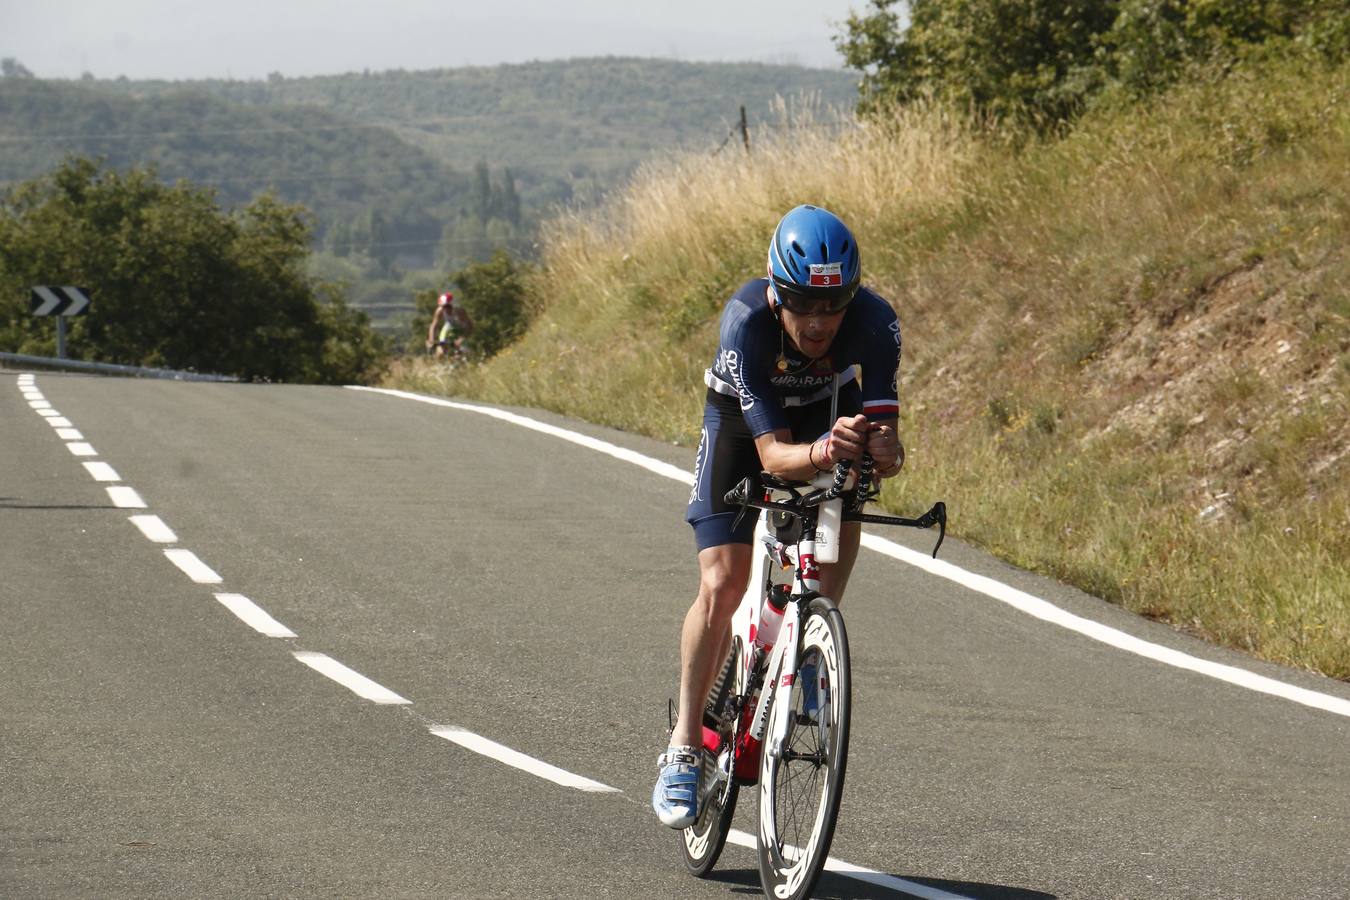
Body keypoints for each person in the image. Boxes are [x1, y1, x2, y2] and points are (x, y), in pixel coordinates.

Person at [652, 204, 905, 828]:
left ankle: (813, 645)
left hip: (825, 409)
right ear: (775, 293)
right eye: (802, 306)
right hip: (744, 421)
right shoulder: (746, 324)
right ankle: (684, 745)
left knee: (850, 493)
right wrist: (823, 451)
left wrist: (882, 450)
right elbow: (773, 456)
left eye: (833, 306)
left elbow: (889, 452)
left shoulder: (876, 323)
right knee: (722, 581)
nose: (819, 325)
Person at [425, 291, 474, 359]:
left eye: (448, 306)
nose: (446, 309)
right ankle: (442, 364)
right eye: (444, 307)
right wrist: (431, 339)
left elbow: (470, 326)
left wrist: (462, 338)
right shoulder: (440, 311)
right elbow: (433, 326)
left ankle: (459, 359)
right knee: (441, 353)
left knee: (460, 353)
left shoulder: (459, 311)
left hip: (461, 329)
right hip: (449, 327)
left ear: (452, 304)